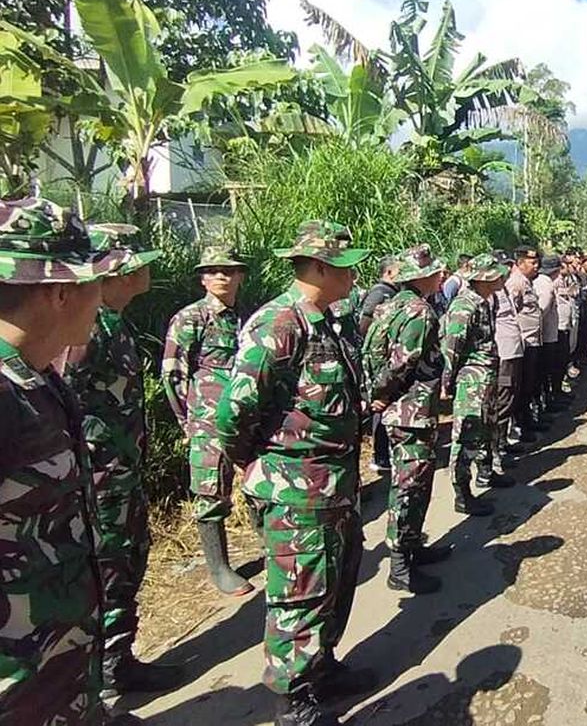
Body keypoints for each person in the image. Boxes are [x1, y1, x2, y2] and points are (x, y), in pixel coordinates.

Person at [215, 220, 375, 726]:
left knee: (333, 584)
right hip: (296, 491)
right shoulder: (278, 324)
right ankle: (294, 700)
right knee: (299, 596)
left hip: (335, 486)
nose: (353, 276)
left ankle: (321, 668)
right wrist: (259, 465)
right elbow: (233, 413)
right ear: (321, 267)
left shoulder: (324, 320)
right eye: (345, 267)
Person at [0, 198, 125, 724]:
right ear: (59, 293)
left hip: (61, 670)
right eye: (97, 283)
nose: (103, 299)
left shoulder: (39, 379)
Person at [63, 224, 184, 700]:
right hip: (99, 477)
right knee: (110, 567)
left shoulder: (112, 322)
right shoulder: (88, 328)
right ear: (115, 269)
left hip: (120, 470)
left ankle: (118, 661)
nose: (146, 268)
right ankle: (107, 673)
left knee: (127, 561)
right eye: (137, 261)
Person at [161, 245, 255, 597]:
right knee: (211, 490)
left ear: (240, 276)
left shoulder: (245, 317)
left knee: (255, 480)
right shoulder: (191, 318)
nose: (222, 276)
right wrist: (189, 421)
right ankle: (218, 567)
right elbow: (172, 374)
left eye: (229, 270)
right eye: (214, 270)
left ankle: (266, 543)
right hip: (207, 418)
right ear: (202, 278)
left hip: (244, 414)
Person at [361, 255, 450, 599]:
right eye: (433, 273)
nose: (440, 276)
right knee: (409, 487)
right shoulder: (419, 312)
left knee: (416, 482)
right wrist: (380, 395)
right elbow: (403, 361)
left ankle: (412, 548)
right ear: (421, 277)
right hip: (409, 412)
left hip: (405, 410)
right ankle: (400, 565)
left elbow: (370, 351)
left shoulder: (392, 304)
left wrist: (377, 392)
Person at [442, 254, 515, 519]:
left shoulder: (484, 301)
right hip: (472, 380)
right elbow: (451, 345)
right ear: (484, 277)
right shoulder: (465, 305)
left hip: (487, 376)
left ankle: (486, 473)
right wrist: (446, 383)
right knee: (467, 435)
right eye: (496, 274)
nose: (501, 277)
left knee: (488, 427)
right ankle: (462, 493)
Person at [357, 255, 405, 473]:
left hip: (385, 356)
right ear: (388, 273)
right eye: (398, 271)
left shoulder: (393, 293)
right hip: (378, 358)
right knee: (379, 407)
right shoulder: (380, 293)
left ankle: (385, 453)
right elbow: (366, 323)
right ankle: (380, 455)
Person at [489, 249, 527, 461]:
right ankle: (495, 452)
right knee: (502, 401)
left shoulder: (503, 290)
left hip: (513, 352)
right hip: (502, 355)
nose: (506, 270)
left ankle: (502, 443)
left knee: (510, 397)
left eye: (508, 266)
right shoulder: (489, 295)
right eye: (502, 266)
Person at [508, 246, 543, 439]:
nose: (537, 266)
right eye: (533, 262)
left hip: (533, 341)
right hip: (524, 342)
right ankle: (521, 426)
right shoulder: (516, 283)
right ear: (520, 263)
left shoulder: (527, 282)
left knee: (530, 384)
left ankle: (528, 421)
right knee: (521, 387)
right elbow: (511, 314)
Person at [533, 255, 563, 413]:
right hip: (546, 336)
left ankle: (546, 402)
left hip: (545, 335)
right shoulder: (546, 286)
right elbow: (541, 312)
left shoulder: (541, 282)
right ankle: (545, 404)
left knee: (545, 372)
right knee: (545, 372)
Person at [552, 252, 580, 396]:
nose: (569, 267)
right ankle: (561, 383)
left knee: (569, 347)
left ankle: (563, 380)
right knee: (560, 355)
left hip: (567, 319)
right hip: (559, 324)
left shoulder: (566, 279)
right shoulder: (555, 281)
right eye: (565, 265)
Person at [573, 254, 587, 369]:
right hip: (581, 307)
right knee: (582, 333)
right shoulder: (579, 276)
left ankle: (585, 355)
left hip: (586, 305)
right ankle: (580, 357)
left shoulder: (584, 276)